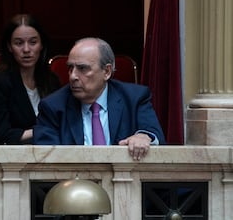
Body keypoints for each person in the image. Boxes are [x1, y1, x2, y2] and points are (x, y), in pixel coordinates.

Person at [33, 37, 165, 160]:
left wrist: (143, 136)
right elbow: (46, 158)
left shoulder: (134, 98)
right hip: (74, 182)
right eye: (70, 68)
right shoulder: (52, 107)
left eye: (82, 68)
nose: (73, 76)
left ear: (107, 71)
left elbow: (154, 134)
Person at [0, 14, 61, 144]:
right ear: (9, 47)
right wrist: (42, 131)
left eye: (33, 42)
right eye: (19, 43)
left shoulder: (51, 81)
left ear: (41, 45)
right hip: (5, 157)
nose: (26, 49)